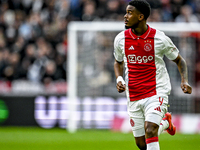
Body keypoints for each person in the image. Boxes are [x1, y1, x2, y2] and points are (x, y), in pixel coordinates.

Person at [113, 0, 192, 150]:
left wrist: (184, 80)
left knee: (150, 130)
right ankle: (166, 123)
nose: (125, 16)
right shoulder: (120, 39)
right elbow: (118, 62)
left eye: (130, 13)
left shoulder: (159, 38)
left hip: (156, 91)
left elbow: (179, 60)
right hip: (134, 94)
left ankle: (161, 122)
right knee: (141, 144)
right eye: (126, 12)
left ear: (141, 16)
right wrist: (119, 78)